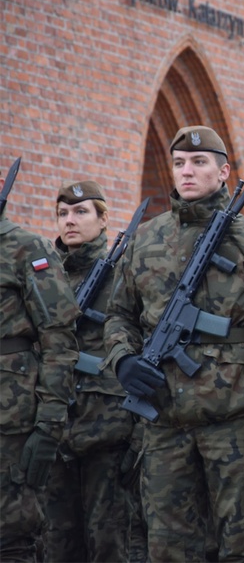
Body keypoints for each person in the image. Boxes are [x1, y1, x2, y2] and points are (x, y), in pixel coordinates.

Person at [104, 126, 244, 562]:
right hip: (163, 421)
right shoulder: (145, 239)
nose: (187, 172)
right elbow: (119, 315)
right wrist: (122, 360)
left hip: (234, 421)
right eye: (178, 164)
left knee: (239, 550)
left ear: (224, 171)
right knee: (169, 550)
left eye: (198, 162)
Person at [40, 181, 146, 561]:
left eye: (81, 212)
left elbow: (146, 353)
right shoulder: (44, 276)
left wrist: (138, 438)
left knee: (110, 546)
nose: (70, 221)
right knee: (57, 547)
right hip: (55, 434)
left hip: (108, 433)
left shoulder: (124, 273)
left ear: (104, 220)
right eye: (63, 213)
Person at [0, 164, 80, 561]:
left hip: (12, 423)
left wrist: (49, 425)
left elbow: (59, 340)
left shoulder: (27, 248)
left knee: (14, 539)